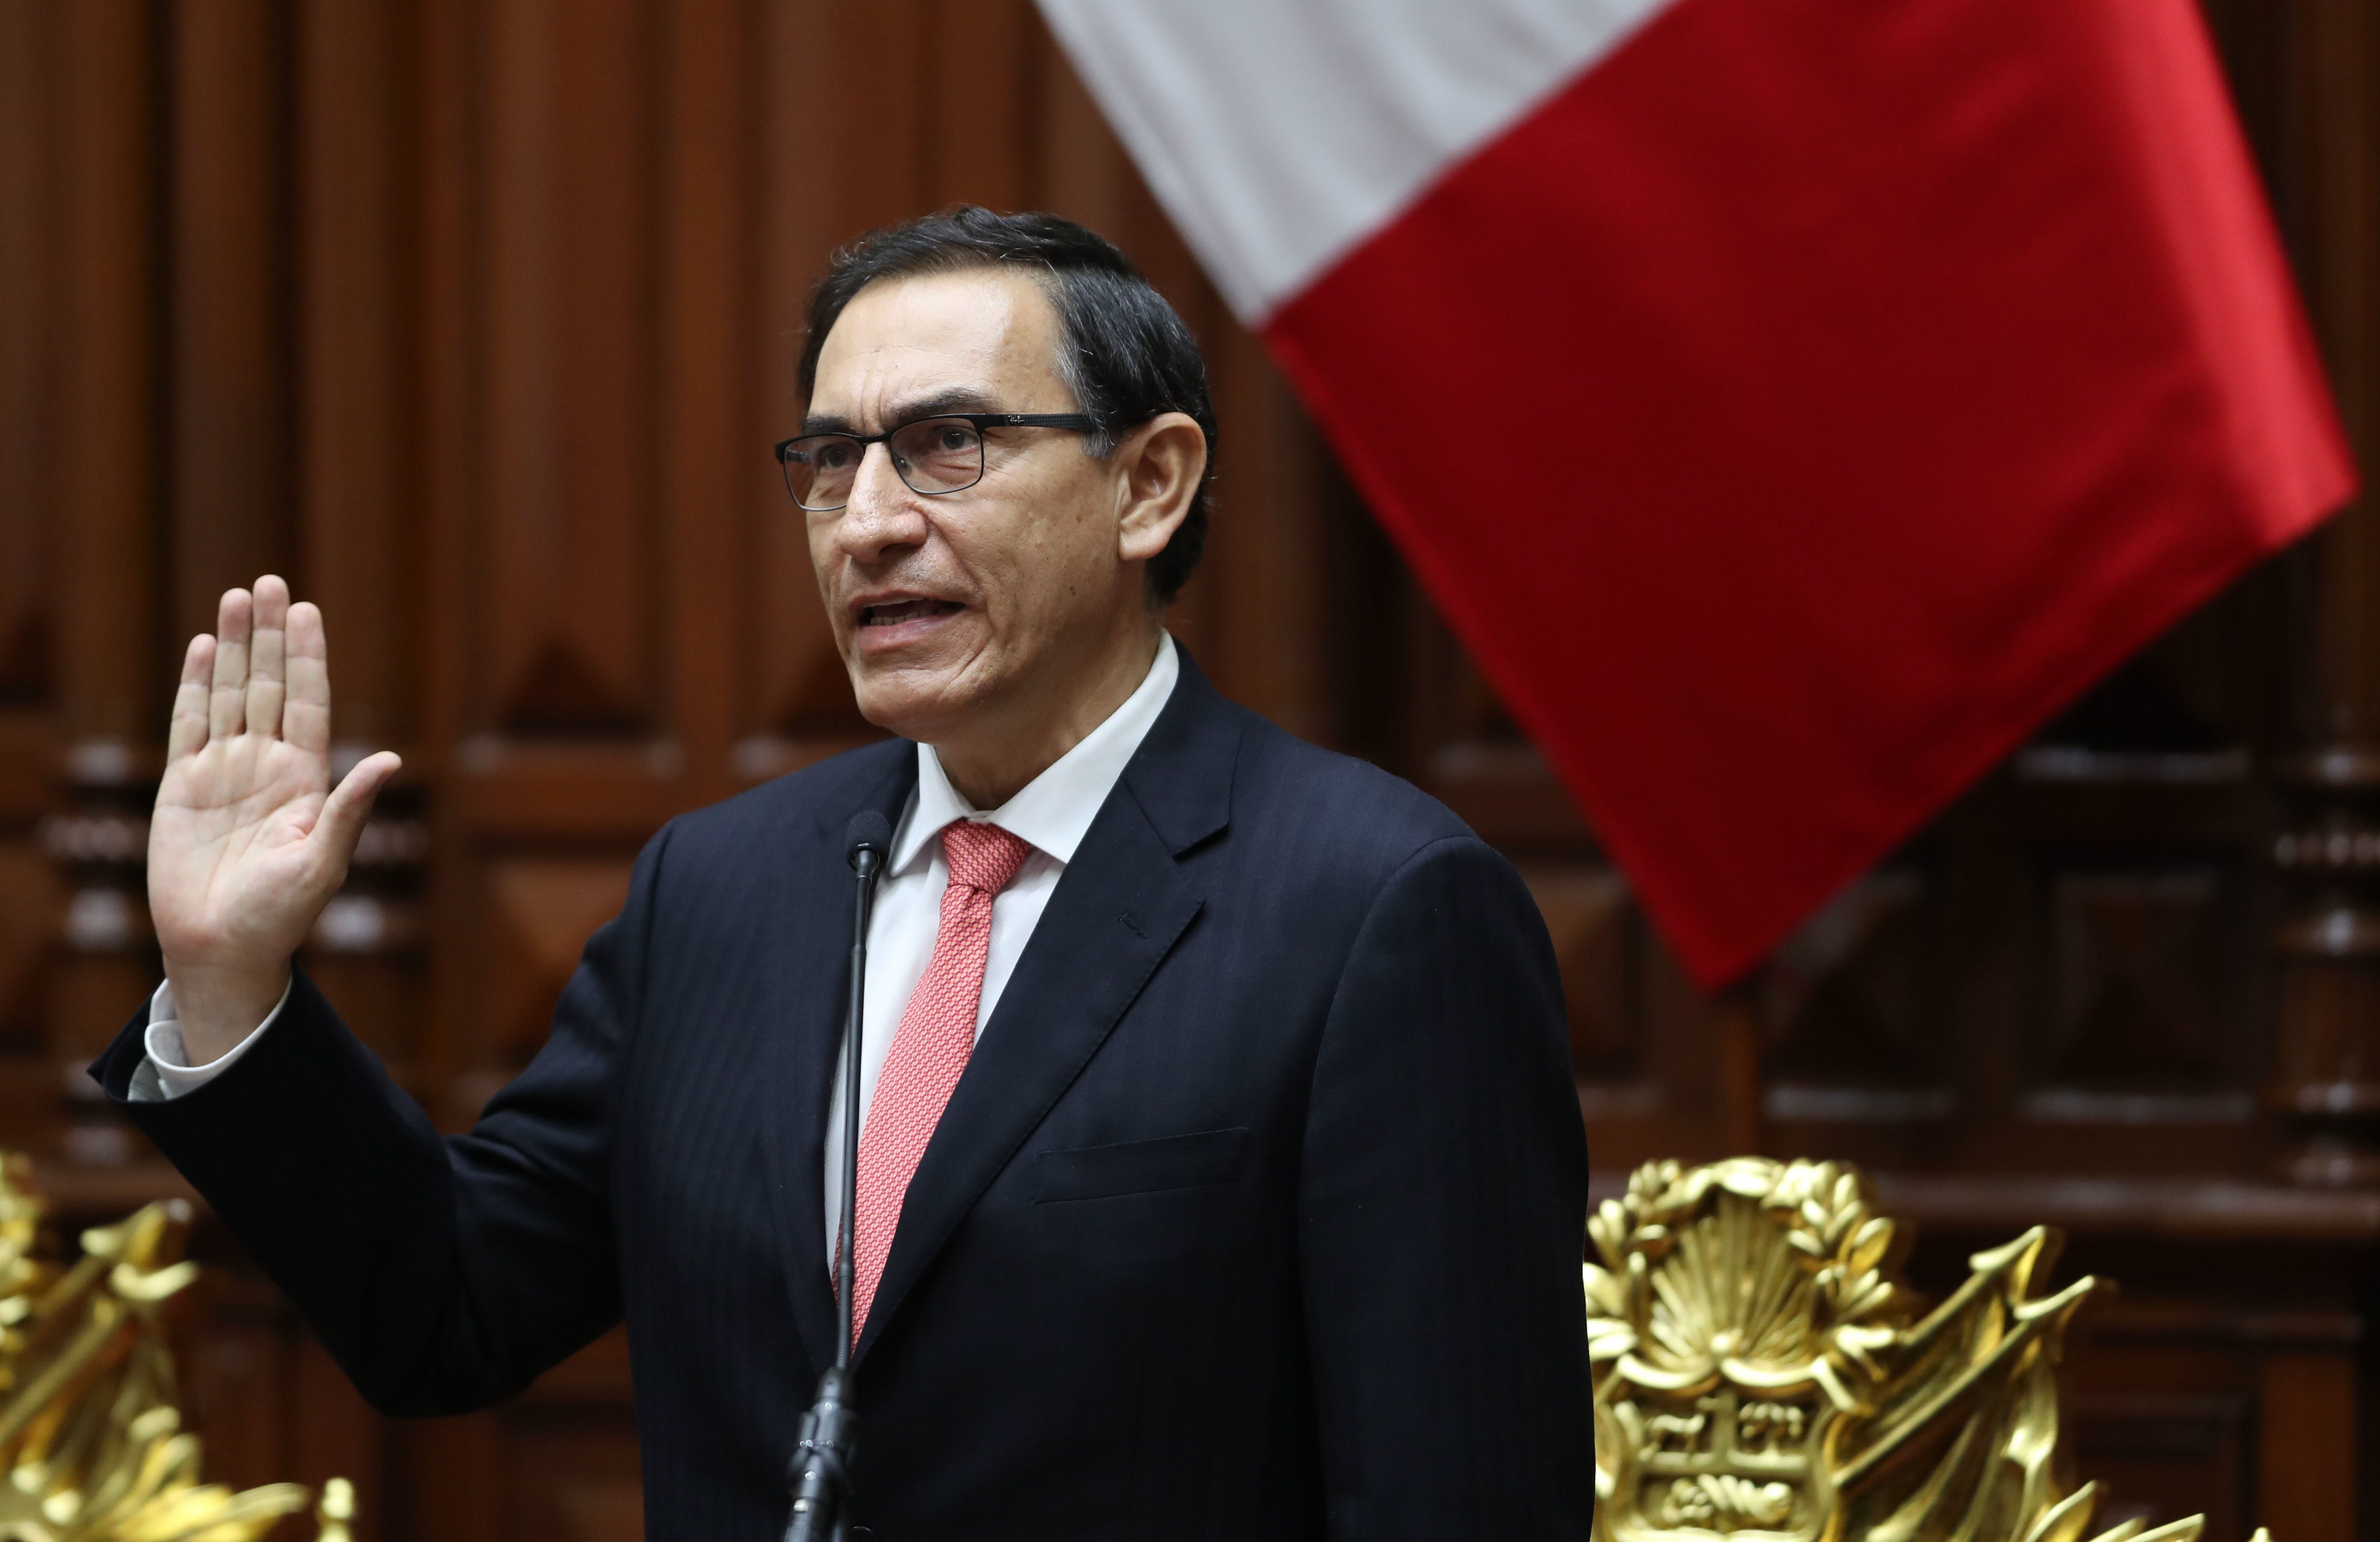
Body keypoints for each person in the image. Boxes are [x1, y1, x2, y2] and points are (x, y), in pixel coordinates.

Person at [93, 208, 1591, 1538]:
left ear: (1150, 486)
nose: (870, 521)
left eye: (952, 445)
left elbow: (1454, 1498)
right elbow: (449, 1312)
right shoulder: (722, 890)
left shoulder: (1378, 908)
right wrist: (231, 984)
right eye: (831, 460)